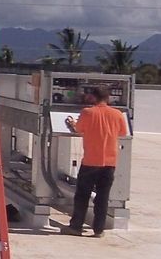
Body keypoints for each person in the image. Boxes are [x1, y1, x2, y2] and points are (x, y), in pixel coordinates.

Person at [62, 87, 129, 238]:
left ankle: (76, 226)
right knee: (102, 197)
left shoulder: (87, 112)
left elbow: (78, 129)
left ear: (93, 97)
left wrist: (72, 123)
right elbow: (122, 132)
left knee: (82, 195)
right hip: (110, 162)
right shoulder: (117, 114)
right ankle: (99, 229)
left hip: (91, 161)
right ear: (108, 98)